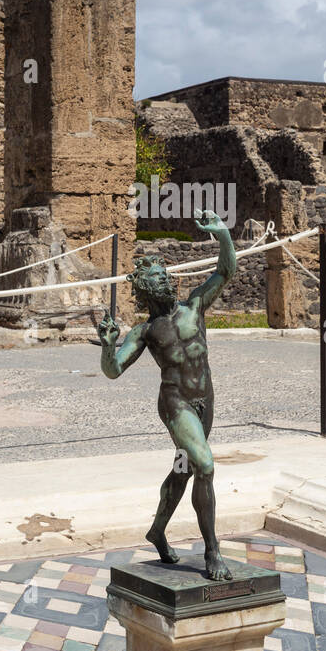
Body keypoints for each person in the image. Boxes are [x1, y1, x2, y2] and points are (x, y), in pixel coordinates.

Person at [98, 209, 236, 581]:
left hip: (205, 400)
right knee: (205, 465)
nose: (163, 283)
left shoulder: (194, 306)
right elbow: (113, 370)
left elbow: (225, 272)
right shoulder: (145, 331)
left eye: (164, 276)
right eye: (155, 280)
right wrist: (108, 347)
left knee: (184, 470)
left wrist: (222, 235)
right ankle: (212, 551)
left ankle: (157, 531)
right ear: (144, 290)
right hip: (175, 405)